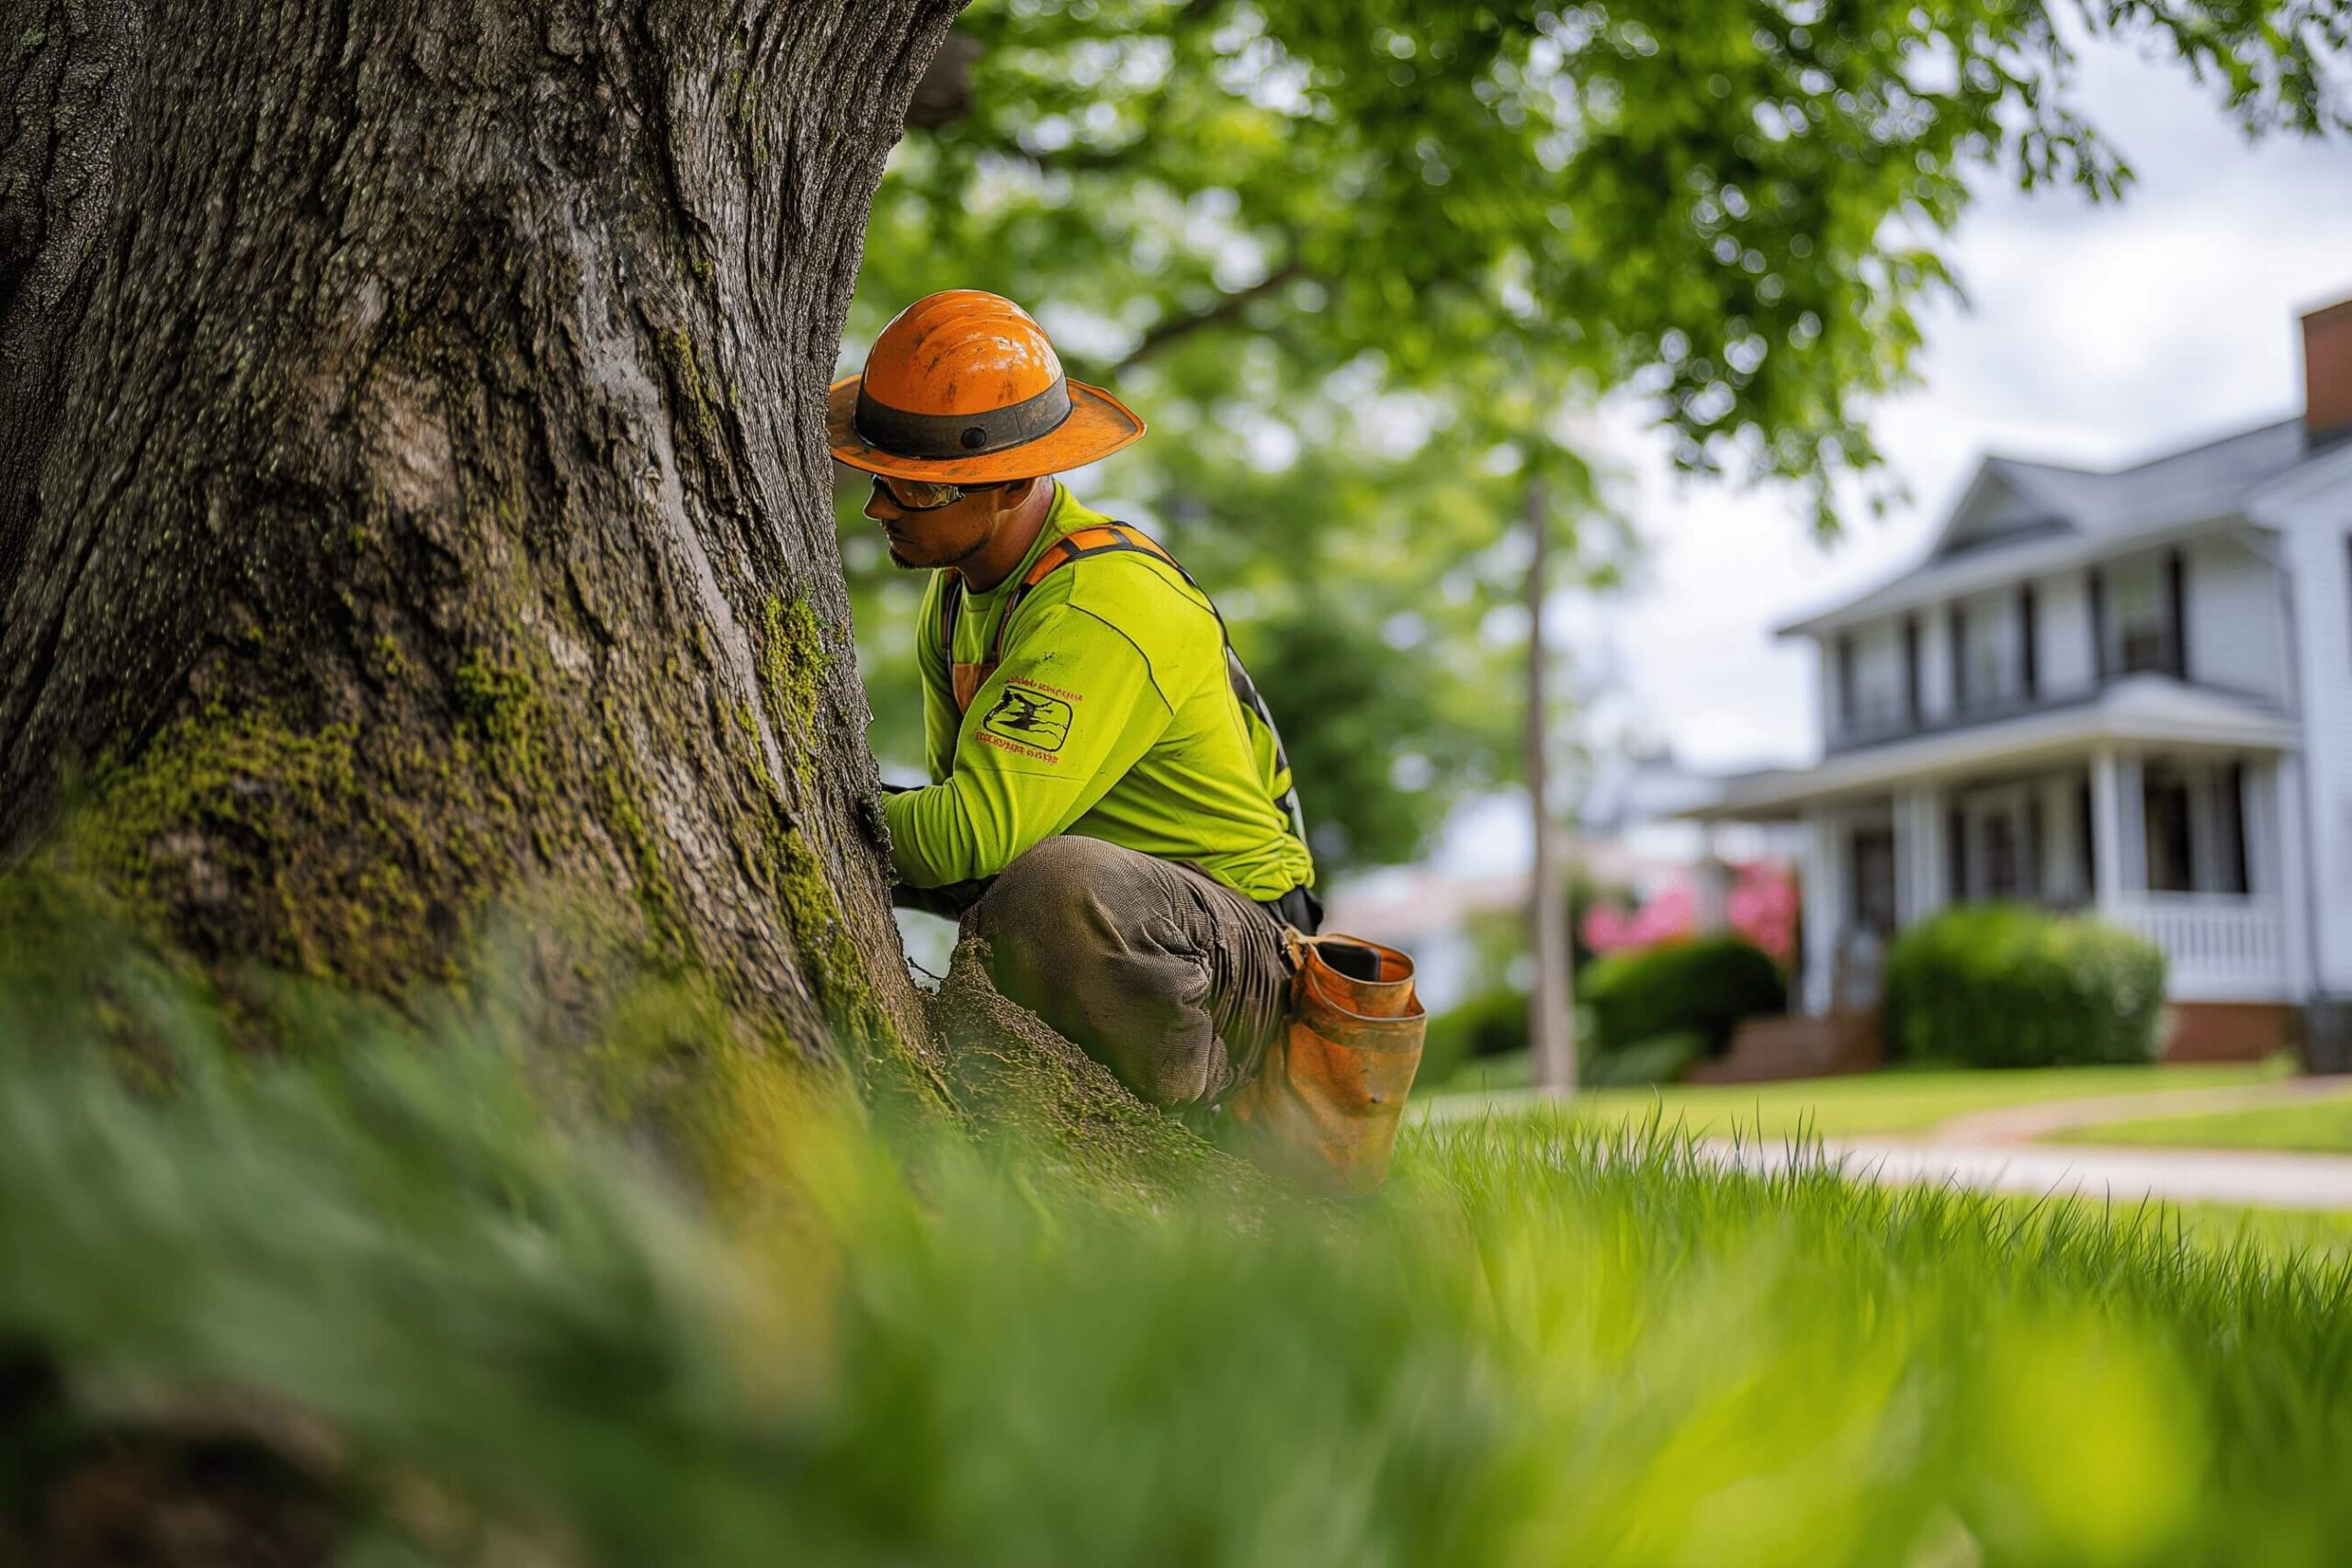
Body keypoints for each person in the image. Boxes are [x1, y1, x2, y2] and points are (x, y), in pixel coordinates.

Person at [829, 289, 1318, 1111]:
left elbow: (964, 837)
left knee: (1056, 888)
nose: (879, 505)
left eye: (918, 489)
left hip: (1235, 950)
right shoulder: (955, 600)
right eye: (884, 475)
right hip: (1126, 910)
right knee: (1015, 878)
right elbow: (970, 840)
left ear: (1012, 481)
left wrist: (812, 805)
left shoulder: (1100, 606)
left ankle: (1215, 1112)